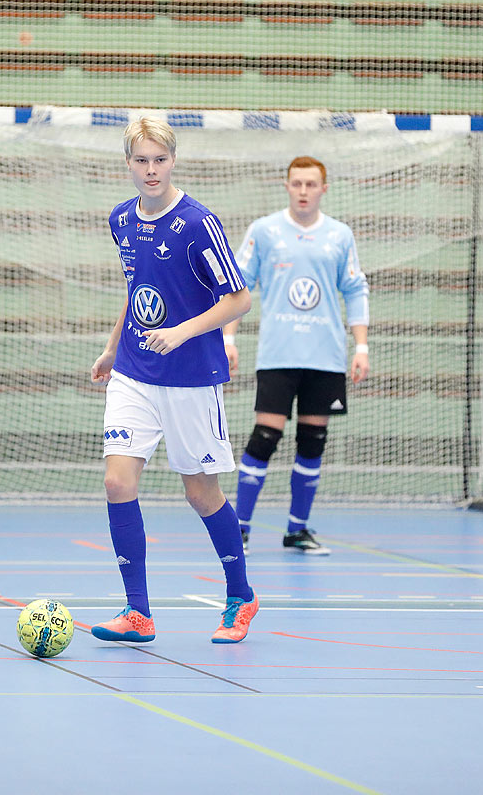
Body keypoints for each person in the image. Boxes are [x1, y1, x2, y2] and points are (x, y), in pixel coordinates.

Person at [89, 116, 259, 644]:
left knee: (200, 492)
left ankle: (240, 596)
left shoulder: (197, 223)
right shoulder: (120, 219)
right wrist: (113, 348)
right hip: (135, 371)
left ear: (173, 160)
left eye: (159, 159)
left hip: (190, 377)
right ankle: (137, 612)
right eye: (141, 160)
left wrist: (182, 332)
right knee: (118, 482)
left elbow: (238, 297)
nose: (151, 169)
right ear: (128, 164)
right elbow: (136, 285)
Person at [223, 156, 370, 556]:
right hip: (278, 355)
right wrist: (228, 339)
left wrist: (361, 347)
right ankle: (240, 528)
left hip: (324, 358)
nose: (303, 191)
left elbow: (356, 290)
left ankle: (296, 530)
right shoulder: (265, 231)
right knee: (265, 437)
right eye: (297, 183)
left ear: (324, 189)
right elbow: (238, 286)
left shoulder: (340, 235)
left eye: (311, 184)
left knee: (312, 442)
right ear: (286, 186)